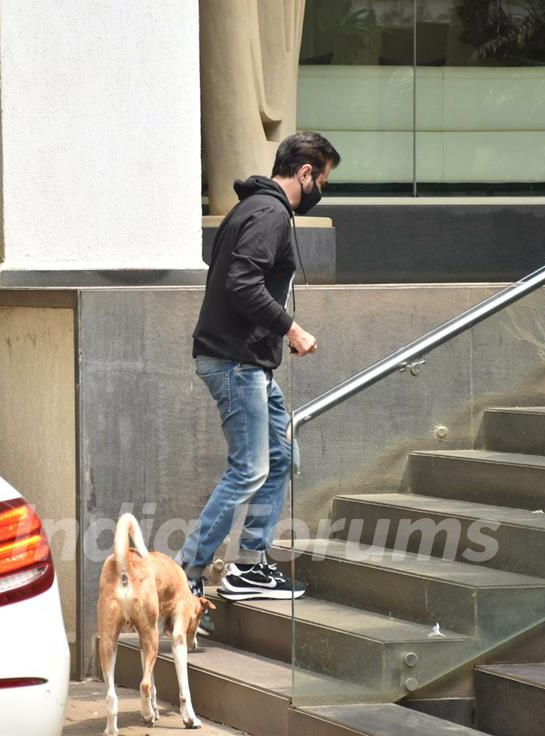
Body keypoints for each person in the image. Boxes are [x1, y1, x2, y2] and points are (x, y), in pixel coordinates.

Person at [175, 132, 341, 634]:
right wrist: (289, 326)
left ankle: (248, 565)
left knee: (280, 455)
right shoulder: (268, 214)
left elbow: (239, 284)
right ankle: (187, 574)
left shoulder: (251, 209)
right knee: (248, 469)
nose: (321, 190)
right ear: (306, 172)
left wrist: (273, 331)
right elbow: (241, 283)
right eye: (323, 179)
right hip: (235, 362)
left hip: (245, 359)